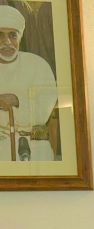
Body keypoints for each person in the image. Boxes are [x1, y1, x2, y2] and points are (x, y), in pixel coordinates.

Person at [0, 4, 57, 161]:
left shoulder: (37, 65)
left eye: (12, 35)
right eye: (0, 36)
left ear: (20, 36)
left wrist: (18, 100)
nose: (7, 42)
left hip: (36, 148)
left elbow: (44, 109)